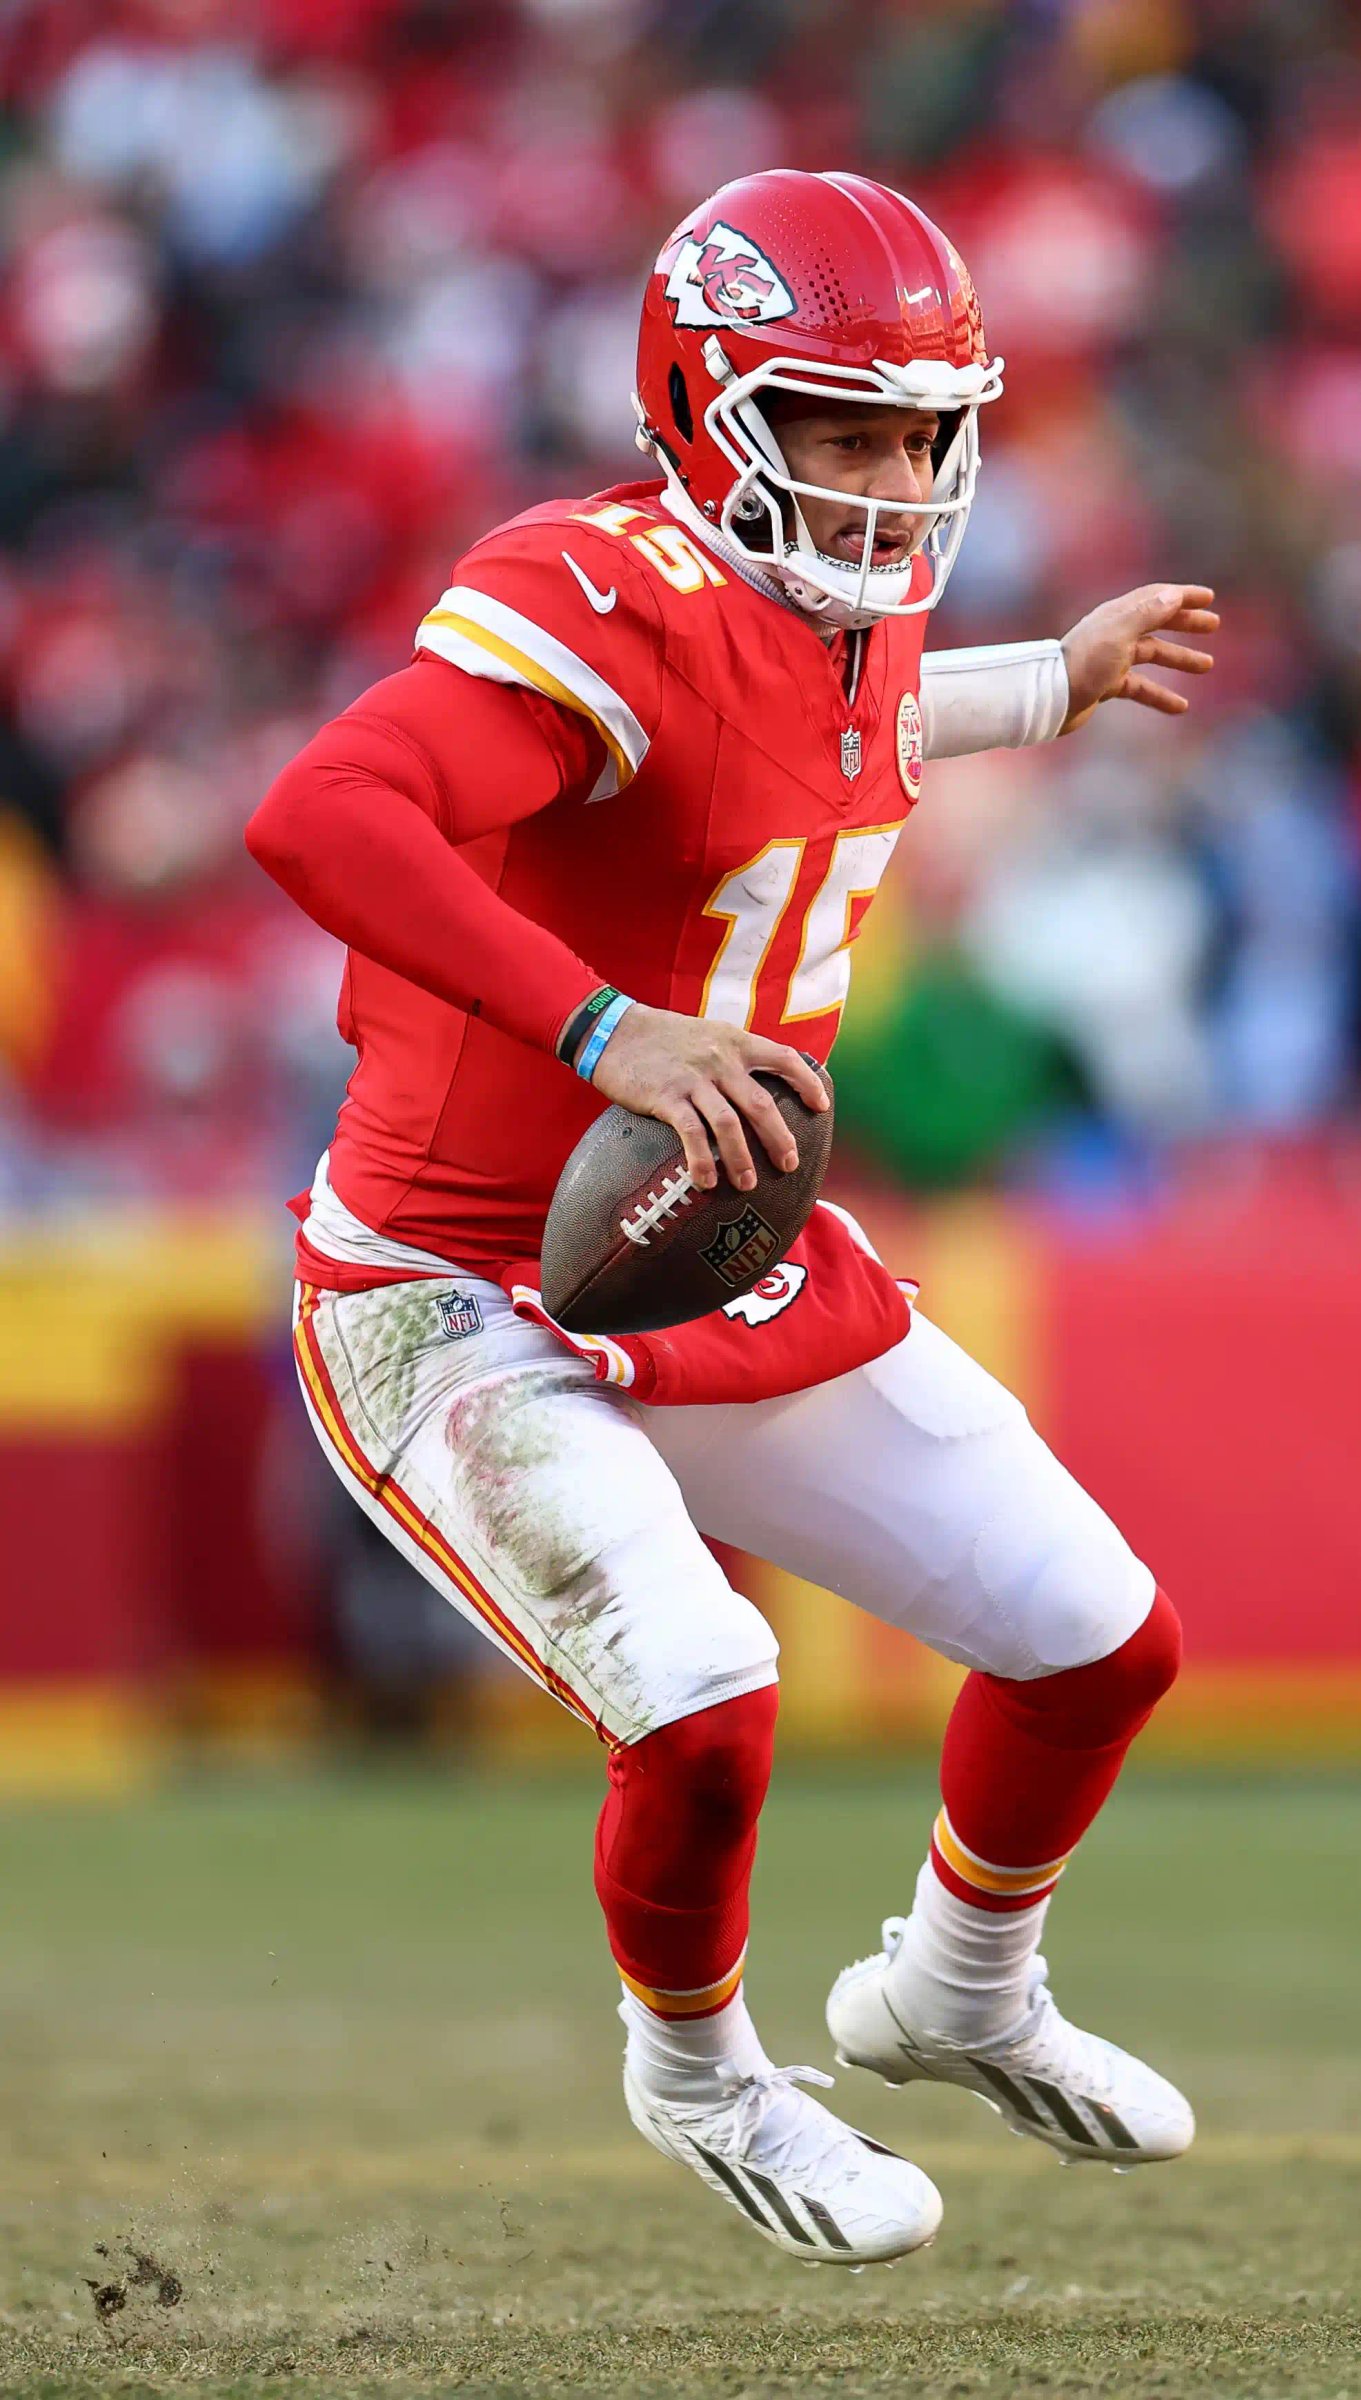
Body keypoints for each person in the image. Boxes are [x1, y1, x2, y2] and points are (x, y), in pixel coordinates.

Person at [246, 170, 1219, 2266]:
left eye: (916, 433)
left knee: (1095, 1640)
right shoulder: (597, 591)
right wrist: (606, 1028)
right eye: (836, 429)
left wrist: (1050, 677)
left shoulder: (835, 619)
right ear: (700, 412)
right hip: (458, 1285)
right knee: (701, 1702)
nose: (885, 481)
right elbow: (322, 808)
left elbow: (837, 719)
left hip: (719, 1255)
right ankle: (697, 2073)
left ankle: (955, 1991)